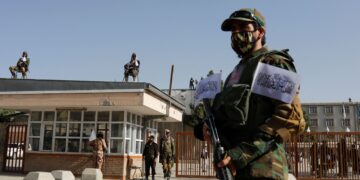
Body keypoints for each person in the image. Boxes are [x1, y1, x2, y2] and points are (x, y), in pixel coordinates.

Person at [194, 8, 305, 179]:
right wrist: (204, 128)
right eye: (233, 30)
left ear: (260, 32)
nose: (236, 34)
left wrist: (241, 154)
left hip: (263, 171)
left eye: (243, 28)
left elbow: (289, 118)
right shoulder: (236, 72)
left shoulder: (271, 62)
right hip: (235, 171)